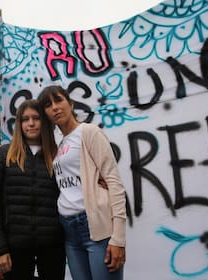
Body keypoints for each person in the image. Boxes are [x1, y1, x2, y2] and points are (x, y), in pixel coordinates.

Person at [37, 85, 127, 280]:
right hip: (69, 231)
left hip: (94, 226)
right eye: (48, 105)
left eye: (58, 100)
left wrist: (118, 238)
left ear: (70, 104)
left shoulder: (89, 132)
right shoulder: (60, 145)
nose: (55, 107)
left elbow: (113, 181)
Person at [0, 99, 66, 280]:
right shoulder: (3, 155)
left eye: (36, 118)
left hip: (52, 247)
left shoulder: (58, 155)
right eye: (25, 119)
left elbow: (74, 188)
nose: (31, 123)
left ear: (44, 122)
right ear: (19, 123)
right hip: (14, 249)